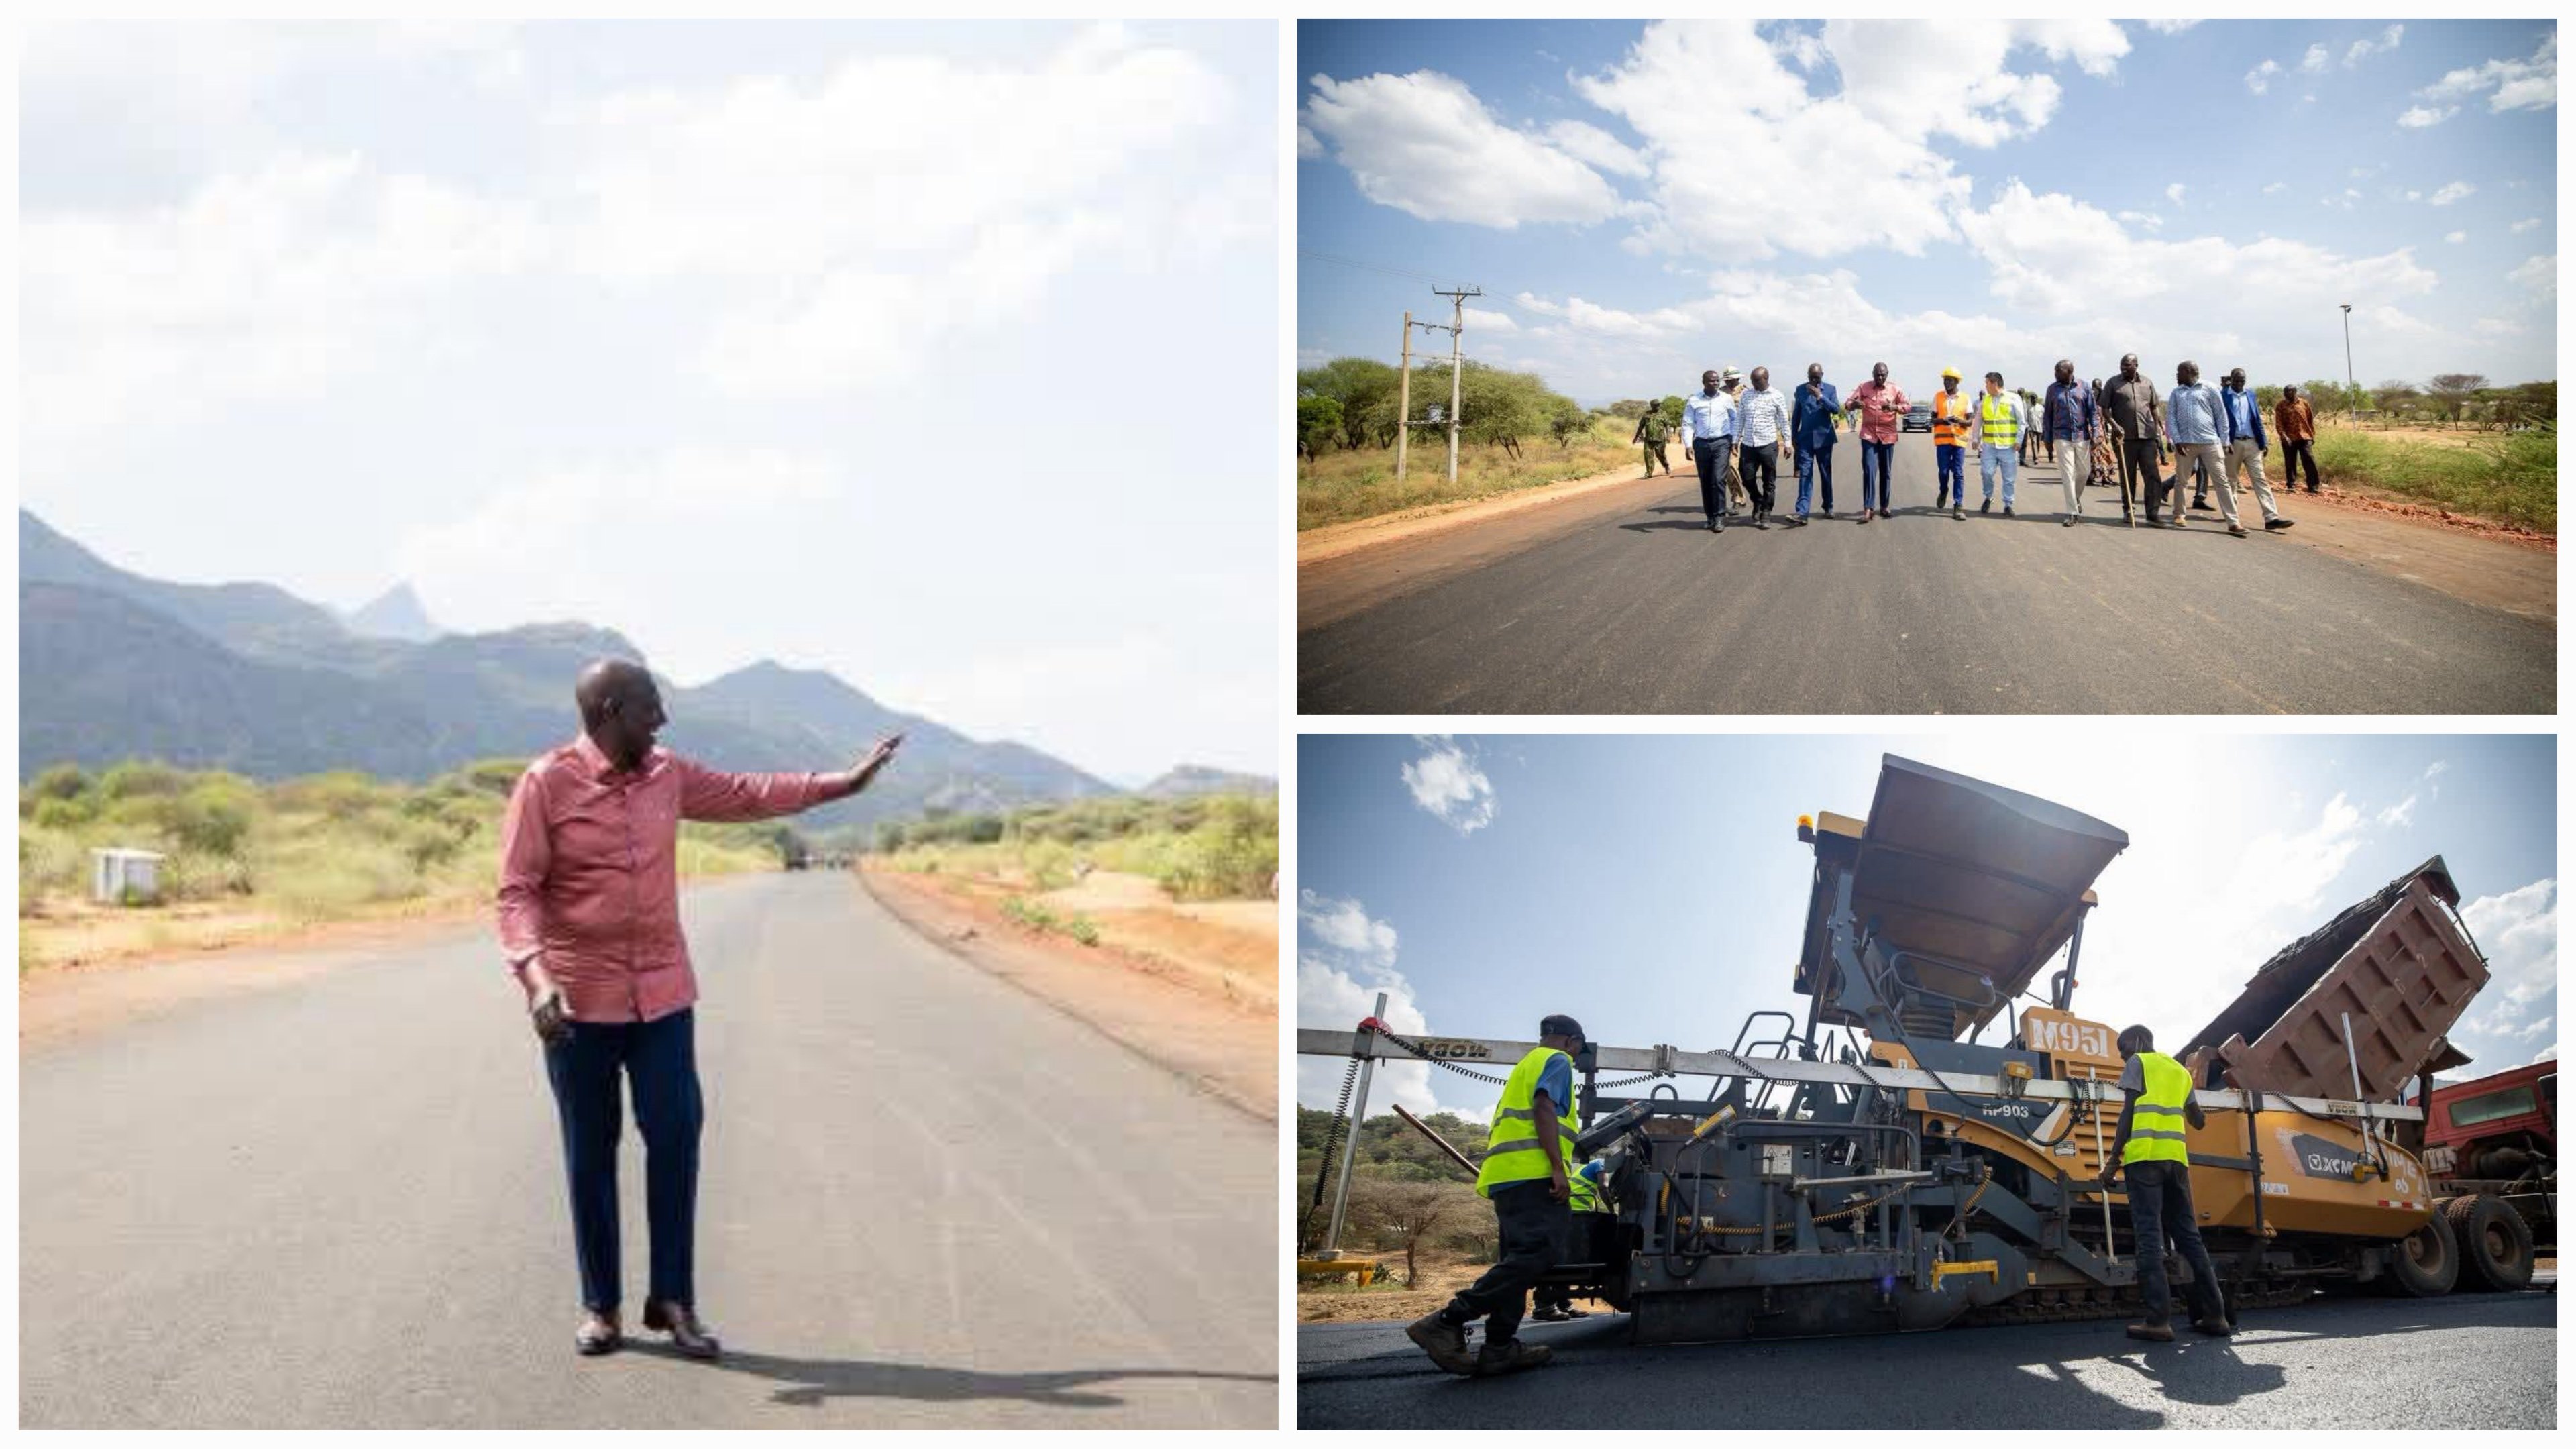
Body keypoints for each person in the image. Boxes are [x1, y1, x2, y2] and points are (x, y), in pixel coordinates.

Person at [500, 659, 903, 1360]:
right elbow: (518, 893)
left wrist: (845, 783)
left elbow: (751, 793)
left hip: (662, 995)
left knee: (678, 1137)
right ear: (608, 711)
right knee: (590, 1154)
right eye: (650, 709)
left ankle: (674, 1301)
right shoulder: (547, 783)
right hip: (577, 1005)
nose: (662, 721)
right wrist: (536, 978)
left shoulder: (668, 774)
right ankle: (602, 1307)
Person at [1407, 1014, 1589, 1378]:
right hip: (1533, 1174)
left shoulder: (1526, 1064)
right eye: (1579, 1048)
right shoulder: (1558, 1061)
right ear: (1572, 1042)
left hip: (1508, 1178)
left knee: (1520, 1261)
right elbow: (1544, 1107)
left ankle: (1500, 1347)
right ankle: (1447, 1320)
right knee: (1542, 1253)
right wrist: (1557, 1167)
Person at [2095, 1026, 2233, 1342]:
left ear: (2140, 1041)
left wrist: (2112, 1161)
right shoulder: (2181, 1072)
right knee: (2189, 1237)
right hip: (2176, 1162)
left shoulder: (2139, 1063)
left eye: (2123, 1046)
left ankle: (2158, 1321)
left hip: (2144, 1160)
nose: (2121, 1054)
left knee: (2149, 1238)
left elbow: (2127, 1114)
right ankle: (2216, 1315)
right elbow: (2198, 1120)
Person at [2219, 368, 2294, 534]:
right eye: (2237, 381)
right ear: (2231, 379)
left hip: (2252, 443)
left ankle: (2271, 518)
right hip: (2233, 444)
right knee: (2231, 480)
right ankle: (2233, 517)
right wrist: (2223, 442)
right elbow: (2219, 420)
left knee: (2260, 479)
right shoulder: (2223, 395)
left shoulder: (2250, 394)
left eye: (2242, 381)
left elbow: (2257, 419)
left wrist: (2263, 441)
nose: (2239, 384)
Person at [2100, 354, 2169, 525]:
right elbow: (2104, 409)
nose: (2123, 368)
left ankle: (2153, 513)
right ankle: (2128, 510)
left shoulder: (2146, 382)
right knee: (2127, 475)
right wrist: (2114, 425)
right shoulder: (2113, 383)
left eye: (2127, 365)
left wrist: (2159, 427)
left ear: (2136, 365)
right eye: (2122, 365)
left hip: (2147, 436)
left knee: (2152, 475)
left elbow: (2154, 407)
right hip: (2124, 438)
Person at [1847, 362, 1907, 523]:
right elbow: (1848, 404)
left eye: (1883, 375)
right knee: (1869, 470)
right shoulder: (1863, 387)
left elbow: (1908, 406)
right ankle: (1868, 508)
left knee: (1885, 472)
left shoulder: (1896, 389)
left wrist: (1895, 407)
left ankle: (1885, 506)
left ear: (1887, 374)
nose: (1879, 378)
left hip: (1888, 436)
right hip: (1869, 436)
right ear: (1872, 374)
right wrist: (1853, 404)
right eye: (1877, 375)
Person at [1734, 366, 1792, 529]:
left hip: (1768, 444)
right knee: (1746, 477)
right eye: (1752, 380)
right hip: (1748, 444)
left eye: (1756, 380)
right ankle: (1758, 500)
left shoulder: (1777, 396)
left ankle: (1766, 512)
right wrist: (1735, 440)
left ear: (1766, 379)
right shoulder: (1747, 395)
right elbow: (1740, 419)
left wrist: (1787, 443)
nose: (1753, 383)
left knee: (1769, 481)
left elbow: (1783, 420)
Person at [1680, 370, 1737, 533]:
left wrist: (1734, 441)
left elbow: (1735, 419)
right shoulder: (1694, 400)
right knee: (1705, 482)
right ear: (1704, 382)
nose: (1716, 383)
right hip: (1701, 445)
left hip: (1722, 443)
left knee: (1718, 479)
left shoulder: (1726, 399)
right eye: (1712, 381)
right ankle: (1710, 517)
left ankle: (1720, 517)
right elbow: (1688, 423)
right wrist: (1688, 445)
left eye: (1717, 380)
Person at [2043, 360, 2098, 527]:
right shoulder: (2052, 389)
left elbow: (2093, 413)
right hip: (2061, 436)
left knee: (2084, 472)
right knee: (2068, 473)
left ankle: (2076, 498)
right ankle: (2072, 512)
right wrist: (2047, 438)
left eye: (2058, 370)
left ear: (2069, 371)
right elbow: (2048, 416)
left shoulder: (2084, 387)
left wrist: (2096, 433)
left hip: (2082, 436)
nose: (2055, 373)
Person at [1967, 370, 2028, 518]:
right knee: (1986, 473)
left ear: (1994, 384)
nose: (1985, 386)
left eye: (1987, 383)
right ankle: (1988, 497)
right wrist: (1975, 439)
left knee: (2009, 478)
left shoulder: (2013, 399)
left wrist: (2019, 441)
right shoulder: (1985, 401)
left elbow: (2021, 422)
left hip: (2009, 447)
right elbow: (1978, 422)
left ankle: (2008, 504)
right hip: (1989, 446)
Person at [1790, 362, 1843, 522]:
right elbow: (1796, 416)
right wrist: (1794, 436)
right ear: (1807, 376)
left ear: (1822, 375)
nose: (1814, 380)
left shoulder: (1830, 389)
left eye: (1817, 377)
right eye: (1811, 377)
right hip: (1805, 439)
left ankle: (1828, 506)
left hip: (1824, 439)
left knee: (1825, 474)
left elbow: (1836, 409)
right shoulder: (1800, 390)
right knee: (1805, 474)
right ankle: (1802, 512)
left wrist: (1820, 397)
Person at [1929, 366, 1972, 519]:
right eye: (1945, 380)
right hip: (1942, 442)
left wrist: (1959, 421)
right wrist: (1943, 420)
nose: (1946, 383)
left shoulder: (1966, 398)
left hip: (1959, 442)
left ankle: (1958, 506)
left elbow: (1970, 422)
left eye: (1949, 380)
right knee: (1943, 472)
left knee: (1959, 473)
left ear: (1956, 382)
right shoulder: (1938, 397)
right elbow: (1932, 420)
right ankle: (1943, 490)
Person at [2275, 383, 2321, 494]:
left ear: (2294, 392)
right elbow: (2279, 422)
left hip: (2304, 437)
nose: (2286, 395)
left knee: (2309, 459)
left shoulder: (2304, 403)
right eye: (2285, 393)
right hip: (2289, 438)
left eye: (2289, 392)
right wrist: (2283, 435)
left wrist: (2311, 435)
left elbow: (2310, 419)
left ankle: (2313, 486)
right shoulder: (2281, 405)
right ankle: (2291, 485)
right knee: (2290, 462)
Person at [1631, 405, 1672, 478]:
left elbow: (1668, 425)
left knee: (1660, 454)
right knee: (1647, 456)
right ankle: (1649, 473)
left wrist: (1669, 436)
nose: (1657, 407)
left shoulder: (1663, 414)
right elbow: (1641, 426)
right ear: (1652, 406)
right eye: (1655, 406)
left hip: (1660, 439)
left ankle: (1666, 465)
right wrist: (1636, 437)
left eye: (1658, 405)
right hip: (1648, 440)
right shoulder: (1647, 414)